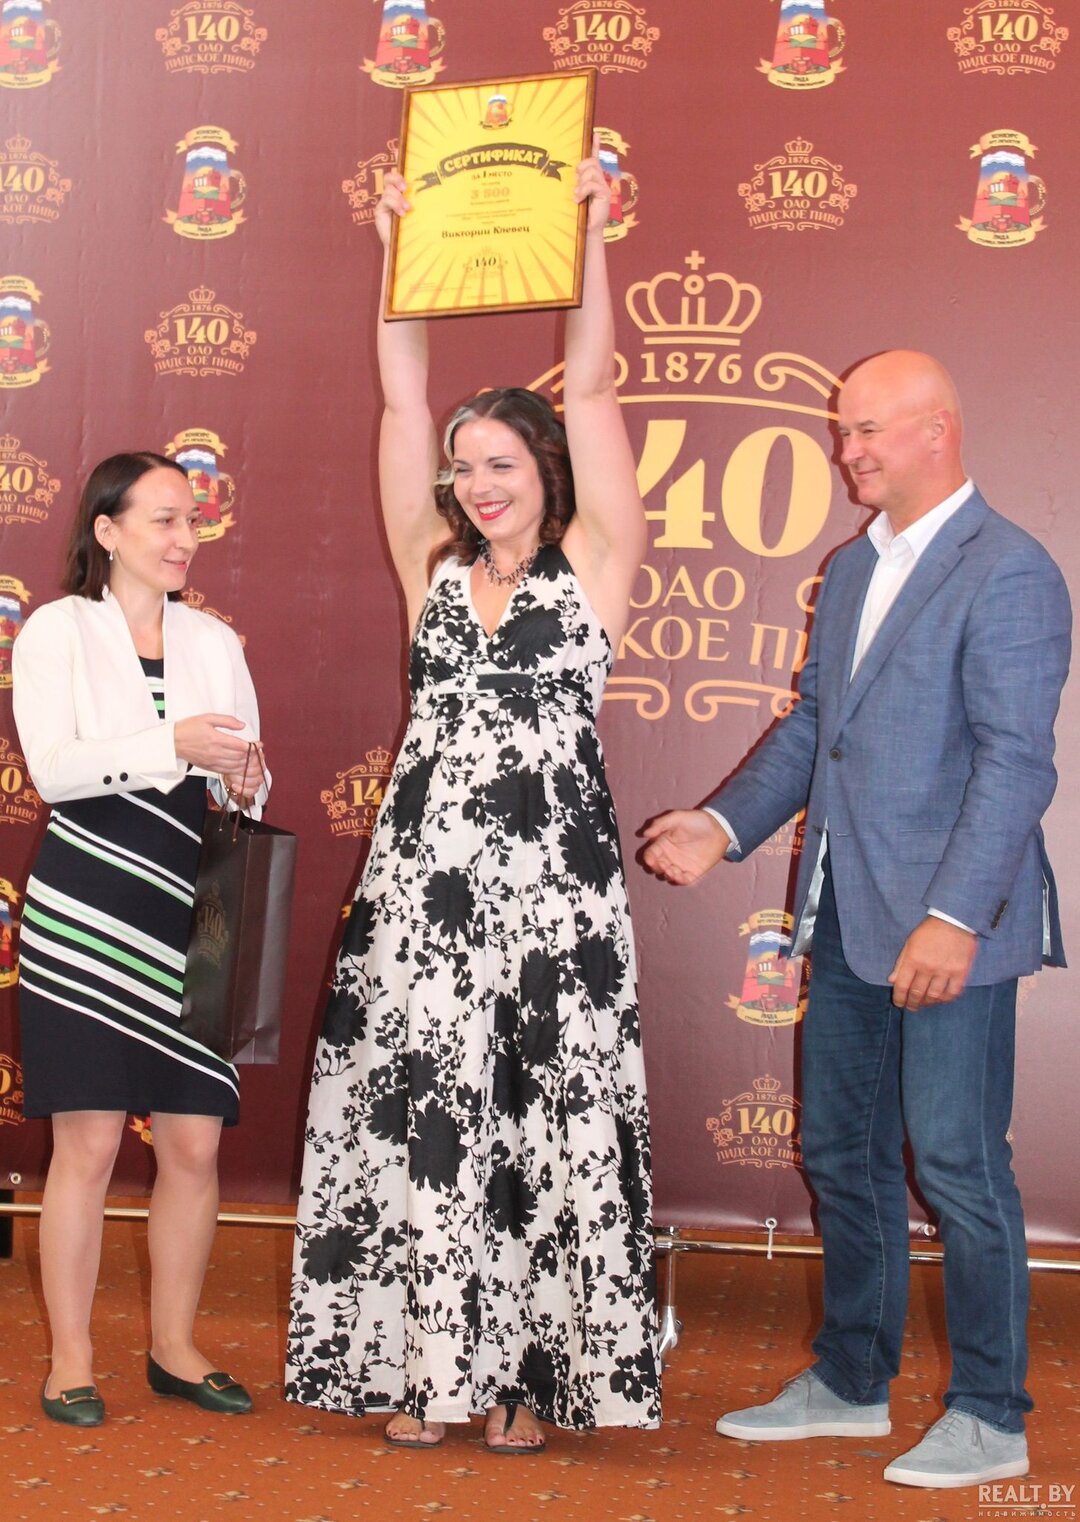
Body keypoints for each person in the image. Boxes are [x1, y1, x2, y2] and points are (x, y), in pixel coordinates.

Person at [643, 351, 1070, 1490]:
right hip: (841, 914)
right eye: (843, 432)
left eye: (868, 430)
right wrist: (721, 825)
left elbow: (1017, 764)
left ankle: (992, 1415)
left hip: (949, 930)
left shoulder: (1010, 569)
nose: (847, 452)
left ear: (939, 429)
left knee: (959, 1164)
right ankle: (849, 1381)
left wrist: (953, 915)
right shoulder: (851, 565)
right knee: (842, 1153)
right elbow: (814, 727)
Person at [286, 148, 660, 1452]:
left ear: (548, 468)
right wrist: (400, 243)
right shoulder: (429, 564)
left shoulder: (597, 560)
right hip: (425, 883)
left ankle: (522, 1377)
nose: (478, 482)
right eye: (465, 466)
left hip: (554, 889)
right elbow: (401, 396)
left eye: (502, 460)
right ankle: (428, 1362)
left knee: (534, 1110)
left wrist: (591, 231)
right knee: (431, 1104)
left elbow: (594, 382)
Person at [13, 452, 269, 1426]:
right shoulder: (58, 629)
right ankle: (72, 1359)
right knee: (85, 1143)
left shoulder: (215, 638)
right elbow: (53, 768)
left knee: (194, 1142)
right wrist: (173, 746)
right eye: (162, 519)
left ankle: (175, 1347)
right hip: (90, 903)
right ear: (107, 530)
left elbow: (253, 775)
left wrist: (246, 777)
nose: (184, 537)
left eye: (191, 520)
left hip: (201, 910)